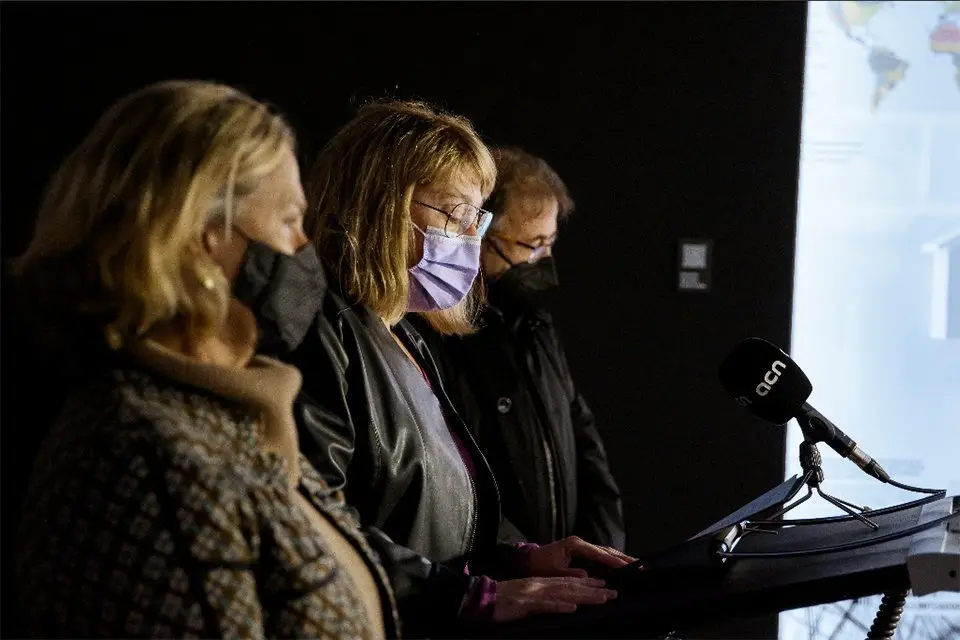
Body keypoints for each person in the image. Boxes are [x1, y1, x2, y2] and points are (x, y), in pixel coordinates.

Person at [11, 80, 399, 639]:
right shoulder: (137, 456)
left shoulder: (242, 417)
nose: (303, 249)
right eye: (289, 220)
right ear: (200, 236)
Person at [239, 99, 631, 636]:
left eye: (478, 216)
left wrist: (516, 559)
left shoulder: (402, 334)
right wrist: (467, 596)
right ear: (381, 204)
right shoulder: (320, 332)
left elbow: (442, 513)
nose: (471, 236)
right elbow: (315, 524)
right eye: (455, 212)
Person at [409, 146, 626, 550]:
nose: (546, 260)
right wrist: (519, 559)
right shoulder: (435, 331)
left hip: (566, 567)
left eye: (551, 243)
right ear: (480, 235)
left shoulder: (537, 324)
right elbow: (449, 473)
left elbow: (583, 433)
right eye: (534, 245)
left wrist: (603, 543)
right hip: (498, 578)